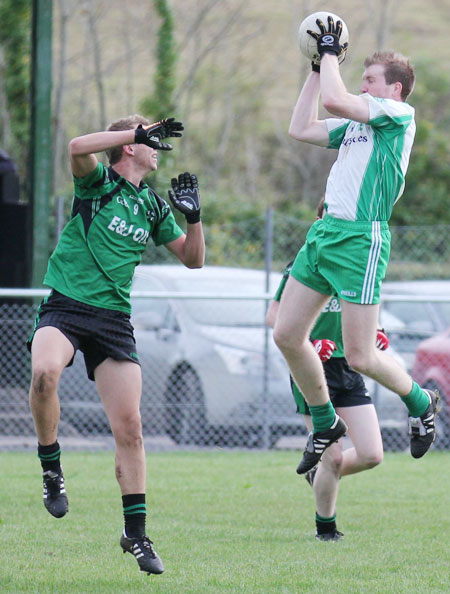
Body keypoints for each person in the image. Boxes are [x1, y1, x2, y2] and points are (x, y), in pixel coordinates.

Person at [27, 115, 205, 576]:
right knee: (45, 372)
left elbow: (193, 259)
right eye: (149, 139)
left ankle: (136, 534)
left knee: (131, 428)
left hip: (113, 321)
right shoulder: (98, 183)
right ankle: (51, 465)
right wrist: (135, 130)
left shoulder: (151, 206)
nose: (156, 147)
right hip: (66, 306)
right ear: (129, 146)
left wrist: (194, 217)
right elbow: (75, 145)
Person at [273, 17, 439, 475]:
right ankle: (325, 423)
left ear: (396, 90)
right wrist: (315, 65)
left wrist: (330, 55)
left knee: (361, 355)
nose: (361, 85)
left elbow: (335, 97)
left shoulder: (397, 117)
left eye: (369, 80)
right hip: (325, 234)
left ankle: (422, 402)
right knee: (287, 334)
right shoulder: (355, 125)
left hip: (360, 239)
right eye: (360, 78)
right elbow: (301, 127)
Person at [267, 258, 388, 541]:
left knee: (372, 455)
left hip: (348, 366)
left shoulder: (357, 263)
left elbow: (365, 307)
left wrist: (378, 331)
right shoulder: (304, 265)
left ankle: (322, 473)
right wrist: (309, 343)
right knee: (332, 457)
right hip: (311, 369)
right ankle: (326, 530)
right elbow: (274, 316)